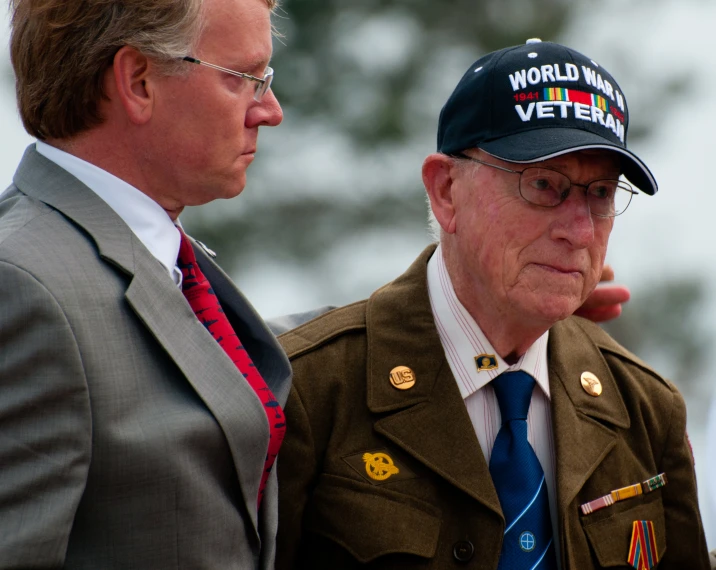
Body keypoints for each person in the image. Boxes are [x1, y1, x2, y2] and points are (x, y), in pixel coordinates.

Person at [275, 40, 710, 569]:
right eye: (544, 185)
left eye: (599, 194)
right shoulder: (307, 388)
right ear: (446, 191)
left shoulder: (645, 407)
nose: (578, 230)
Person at [0, 0, 289, 567]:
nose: (270, 111)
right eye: (244, 79)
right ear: (137, 82)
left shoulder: (156, 256)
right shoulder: (23, 285)